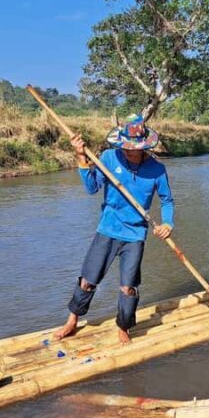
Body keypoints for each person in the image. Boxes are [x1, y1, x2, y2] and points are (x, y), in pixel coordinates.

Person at [53, 114, 174, 345]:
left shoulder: (157, 170)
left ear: (144, 145)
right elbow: (91, 188)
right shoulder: (109, 158)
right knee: (87, 280)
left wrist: (167, 223)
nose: (128, 151)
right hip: (108, 229)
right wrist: (80, 157)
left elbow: (167, 200)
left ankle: (124, 326)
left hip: (135, 235)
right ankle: (72, 320)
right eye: (125, 146)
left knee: (128, 287)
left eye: (133, 148)